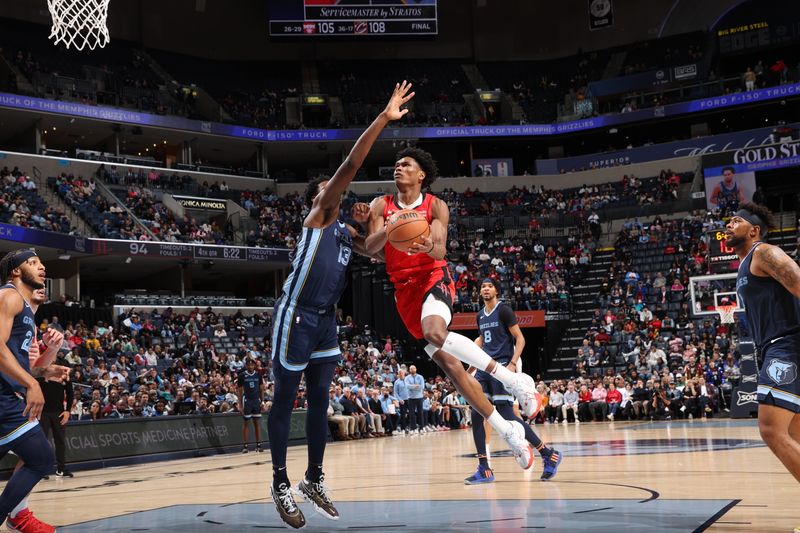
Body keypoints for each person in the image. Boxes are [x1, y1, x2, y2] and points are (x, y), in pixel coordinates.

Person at [268, 82, 413, 529]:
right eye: (331, 191)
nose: (340, 195)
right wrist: (384, 119)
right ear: (321, 197)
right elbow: (351, 164)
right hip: (296, 313)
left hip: (326, 321)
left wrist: (397, 222)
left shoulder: (345, 234)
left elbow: (373, 248)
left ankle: (314, 477)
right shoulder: (322, 214)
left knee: (320, 402)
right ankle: (279, 482)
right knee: (286, 399)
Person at [365, 145, 542, 473]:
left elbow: (440, 249)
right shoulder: (380, 205)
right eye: (396, 164)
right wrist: (389, 230)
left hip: (434, 276)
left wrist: (428, 245)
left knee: (435, 331)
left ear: (421, 175)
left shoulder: (436, 205)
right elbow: (371, 248)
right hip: (404, 291)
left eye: (406, 165)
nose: (398, 168)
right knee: (455, 373)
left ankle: (514, 381)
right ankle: (511, 434)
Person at [728, 202, 800, 486]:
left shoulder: (764, 253)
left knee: (771, 430)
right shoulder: (746, 264)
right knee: (793, 434)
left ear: (754, 230)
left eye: (736, 221)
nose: (728, 225)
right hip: (779, 346)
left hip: (786, 344)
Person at [463, 279, 561, 484]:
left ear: (496, 291)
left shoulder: (504, 310)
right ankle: (484, 468)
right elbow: (482, 340)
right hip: (483, 368)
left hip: (501, 367)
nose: (486, 289)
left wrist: (513, 363)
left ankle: (547, 453)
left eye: (489, 286)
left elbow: (520, 338)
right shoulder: (480, 315)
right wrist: (470, 367)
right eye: (483, 287)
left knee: (507, 414)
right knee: (476, 412)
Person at [0, 250, 69, 533]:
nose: (41, 267)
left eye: (41, 263)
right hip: (5, 398)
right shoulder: (10, 296)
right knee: (41, 459)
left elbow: (20, 363)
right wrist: (32, 384)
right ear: (16, 271)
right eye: (32, 263)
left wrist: (44, 371)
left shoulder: (26, 310)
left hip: (8, 395)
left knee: (39, 458)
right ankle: (16, 516)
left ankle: (18, 516)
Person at [237, 357, 264, 453]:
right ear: (246, 365)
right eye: (249, 364)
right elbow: (239, 391)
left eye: (252, 364)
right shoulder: (242, 376)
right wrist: (240, 405)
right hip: (247, 401)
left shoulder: (258, 375)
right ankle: (245, 446)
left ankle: (259, 445)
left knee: (257, 423)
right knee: (246, 423)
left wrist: (263, 401)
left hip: (256, 401)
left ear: (254, 365)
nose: (250, 366)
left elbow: (261, 389)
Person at [404, 365, 424, 434]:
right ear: (409, 370)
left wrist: (412, 387)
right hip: (411, 397)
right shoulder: (407, 378)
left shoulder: (420, 377)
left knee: (420, 413)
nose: (412, 370)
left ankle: (421, 428)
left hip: (419, 397)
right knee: (412, 414)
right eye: (411, 369)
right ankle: (413, 428)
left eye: (413, 369)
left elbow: (422, 387)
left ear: (416, 369)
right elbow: (407, 386)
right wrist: (416, 386)